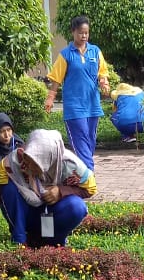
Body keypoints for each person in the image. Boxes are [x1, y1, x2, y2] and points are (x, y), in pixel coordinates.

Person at [0, 127, 96, 250]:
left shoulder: (70, 165)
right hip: (27, 213)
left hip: (53, 212)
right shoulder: (14, 162)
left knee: (76, 206)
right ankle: (21, 238)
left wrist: (61, 191)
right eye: (27, 158)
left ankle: (54, 240)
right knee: (8, 187)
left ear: (47, 160)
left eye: (35, 162)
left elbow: (89, 189)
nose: (26, 166)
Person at [43, 16, 110, 170]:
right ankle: (89, 176)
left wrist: (103, 82)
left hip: (93, 105)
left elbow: (102, 72)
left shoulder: (95, 51)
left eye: (86, 33)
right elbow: (56, 79)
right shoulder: (66, 54)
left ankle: (81, 172)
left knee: (90, 142)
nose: (84, 36)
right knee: (81, 143)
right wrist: (50, 98)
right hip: (74, 107)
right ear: (73, 32)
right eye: (80, 33)